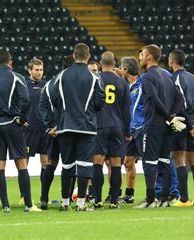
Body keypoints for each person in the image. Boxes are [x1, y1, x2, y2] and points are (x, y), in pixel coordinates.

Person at [0, 50, 41, 213]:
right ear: (11, 63)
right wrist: (21, 118)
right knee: (21, 164)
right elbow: (25, 100)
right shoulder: (17, 77)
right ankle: (29, 205)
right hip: (11, 123)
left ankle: (6, 206)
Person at [51, 43, 105, 211]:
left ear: (74, 56)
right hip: (86, 127)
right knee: (84, 165)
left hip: (66, 126)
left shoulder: (61, 76)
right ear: (88, 57)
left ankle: (65, 202)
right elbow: (99, 102)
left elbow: (53, 98)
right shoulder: (94, 77)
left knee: (67, 165)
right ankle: (81, 204)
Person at [135, 44, 186, 208]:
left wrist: (169, 116)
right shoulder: (167, 76)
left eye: (142, 54)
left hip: (153, 125)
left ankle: (150, 200)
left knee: (149, 163)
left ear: (149, 57)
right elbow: (180, 100)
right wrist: (172, 117)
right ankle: (165, 199)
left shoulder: (148, 76)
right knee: (164, 161)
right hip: (167, 127)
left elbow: (154, 99)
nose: (140, 57)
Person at [92, 51, 131, 209]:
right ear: (114, 64)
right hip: (117, 127)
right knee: (115, 164)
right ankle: (114, 201)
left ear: (100, 65)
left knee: (98, 163)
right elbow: (127, 111)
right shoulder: (122, 83)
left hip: (99, 126)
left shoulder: (95, 80)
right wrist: (127, 132)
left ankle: (97, 200)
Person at [168, 50, 194, 207]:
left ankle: (184, 199)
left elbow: (180, 104)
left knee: (179, 159)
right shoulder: (192, 78)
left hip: (181, 123)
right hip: (193, 121)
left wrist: (189, 125)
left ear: (172, 61)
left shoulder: (174, 79)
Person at [38, 55, 74, 209]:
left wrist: (50, 126)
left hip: (53, 131)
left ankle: (43, 198)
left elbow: (43, 107)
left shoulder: (50, 84)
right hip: (69, 129)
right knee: (70, 164)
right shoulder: (72, 84)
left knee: (51, 163)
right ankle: (67, 199)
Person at [114, 57, 141, 204]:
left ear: (126, 70)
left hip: (142, 128)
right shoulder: (125, 85)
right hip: (130, 129)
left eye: (121, 67)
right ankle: (129, 194)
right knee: (128, 162)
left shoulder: (143, 83)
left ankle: (158, 193)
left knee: (151, 162)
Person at [24, 58, 48, 204]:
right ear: (30, 70)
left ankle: (43, 197)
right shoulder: (24, 85)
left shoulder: (46, 86)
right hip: (28, 130)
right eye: (36, 70)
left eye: (41, 70)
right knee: (24, 163)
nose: (39, 72)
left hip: (44, 130)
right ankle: (24, 195)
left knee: (45, 162)